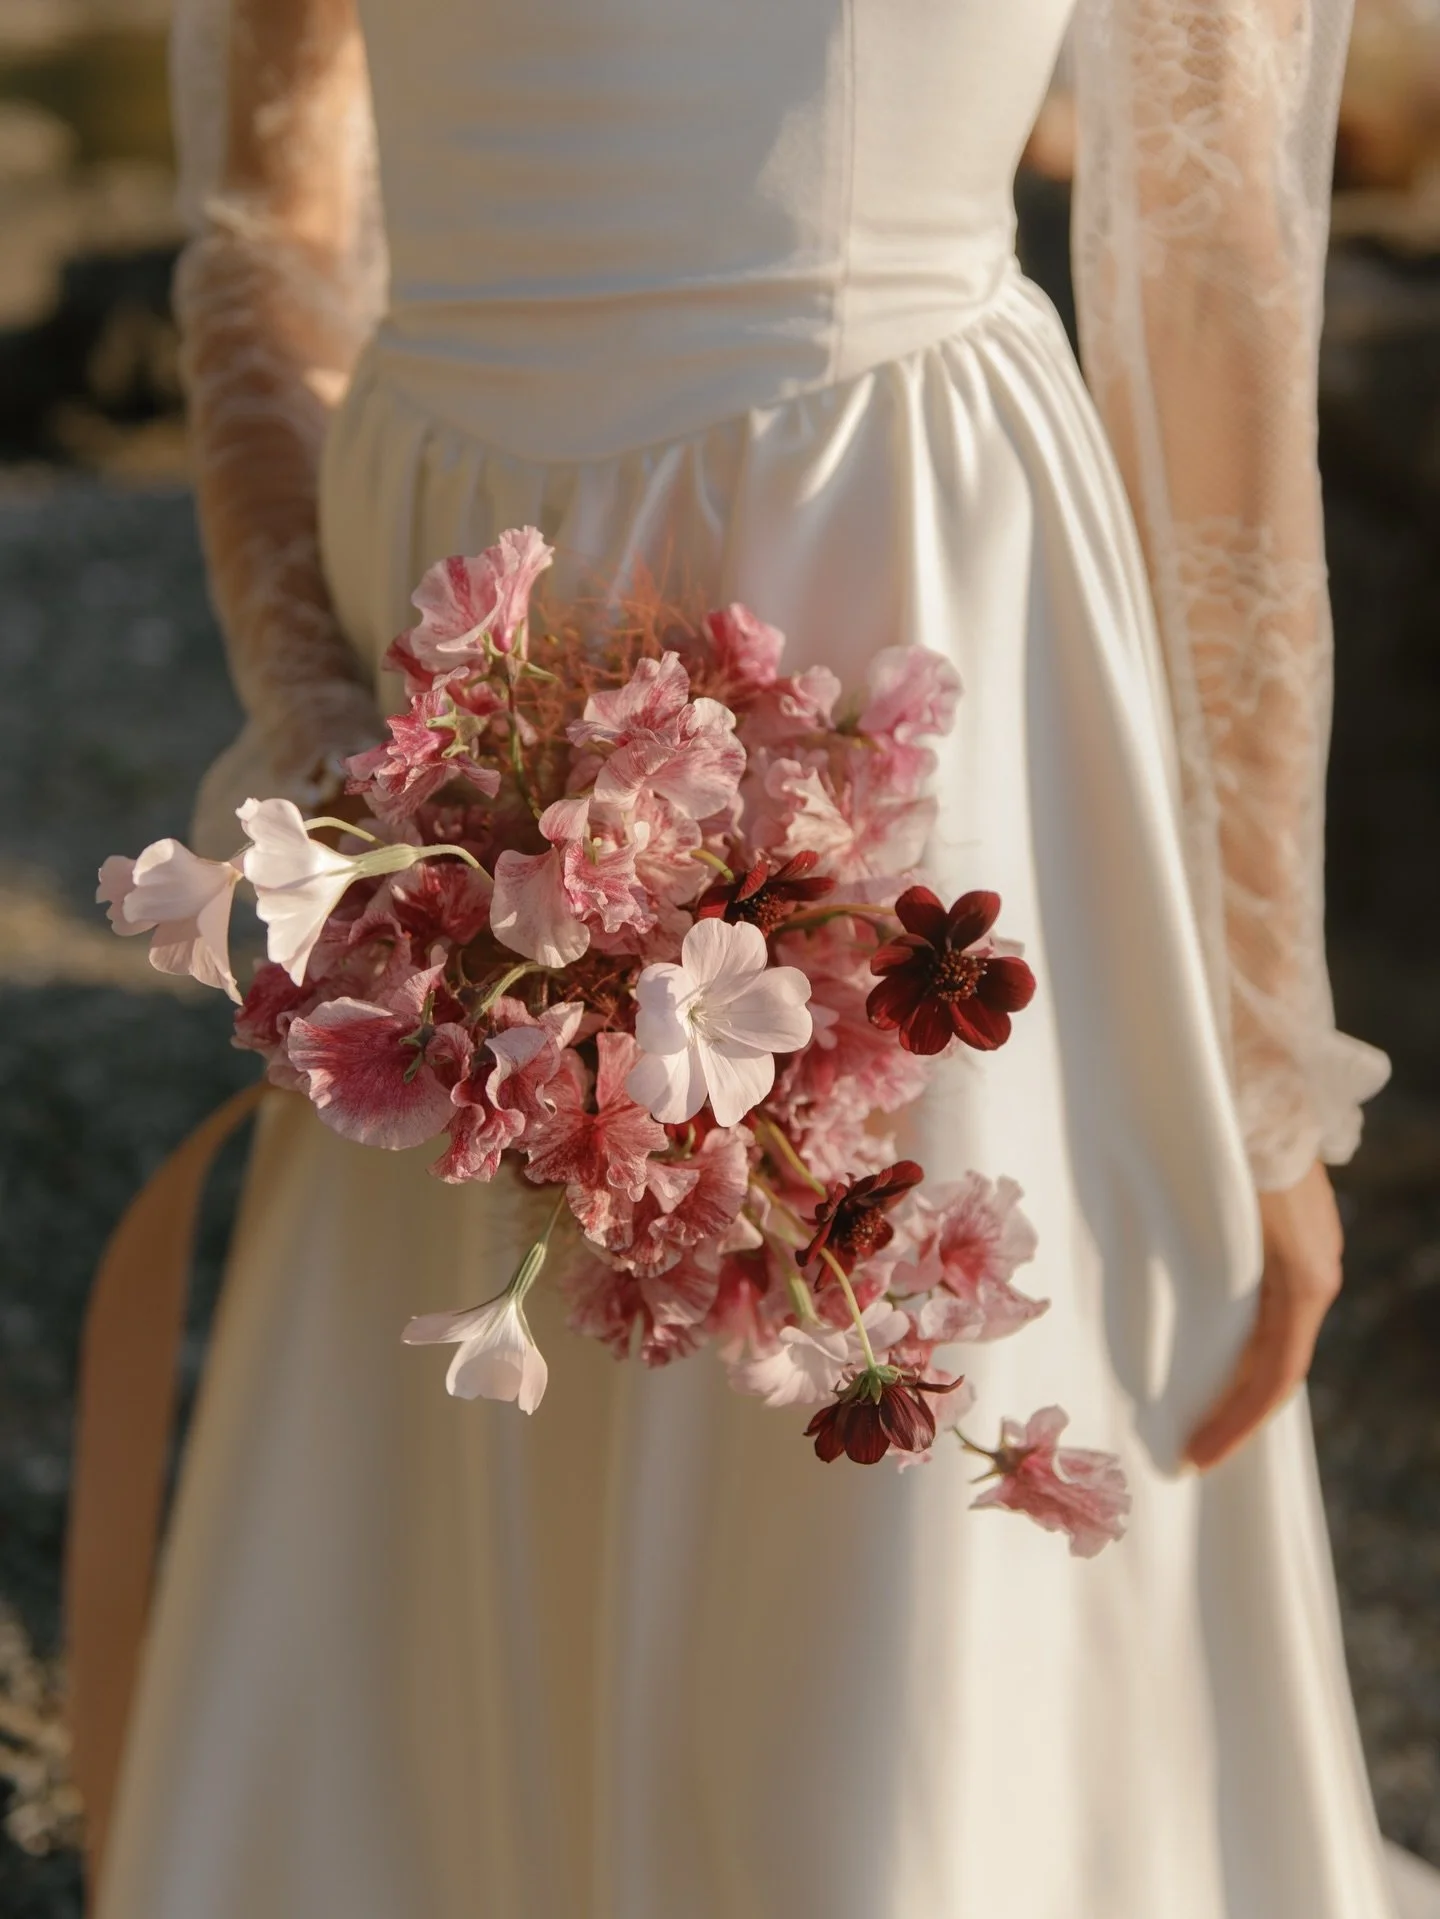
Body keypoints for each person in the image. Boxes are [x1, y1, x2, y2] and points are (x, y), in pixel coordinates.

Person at [93, 0, 1409, 1914]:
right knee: (481, 1440)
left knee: (876, 1556)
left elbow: (1213, 282)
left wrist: (1265, 1047)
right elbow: (269, 229)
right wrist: (326, 733)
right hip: (454, 641)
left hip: (898, 588)